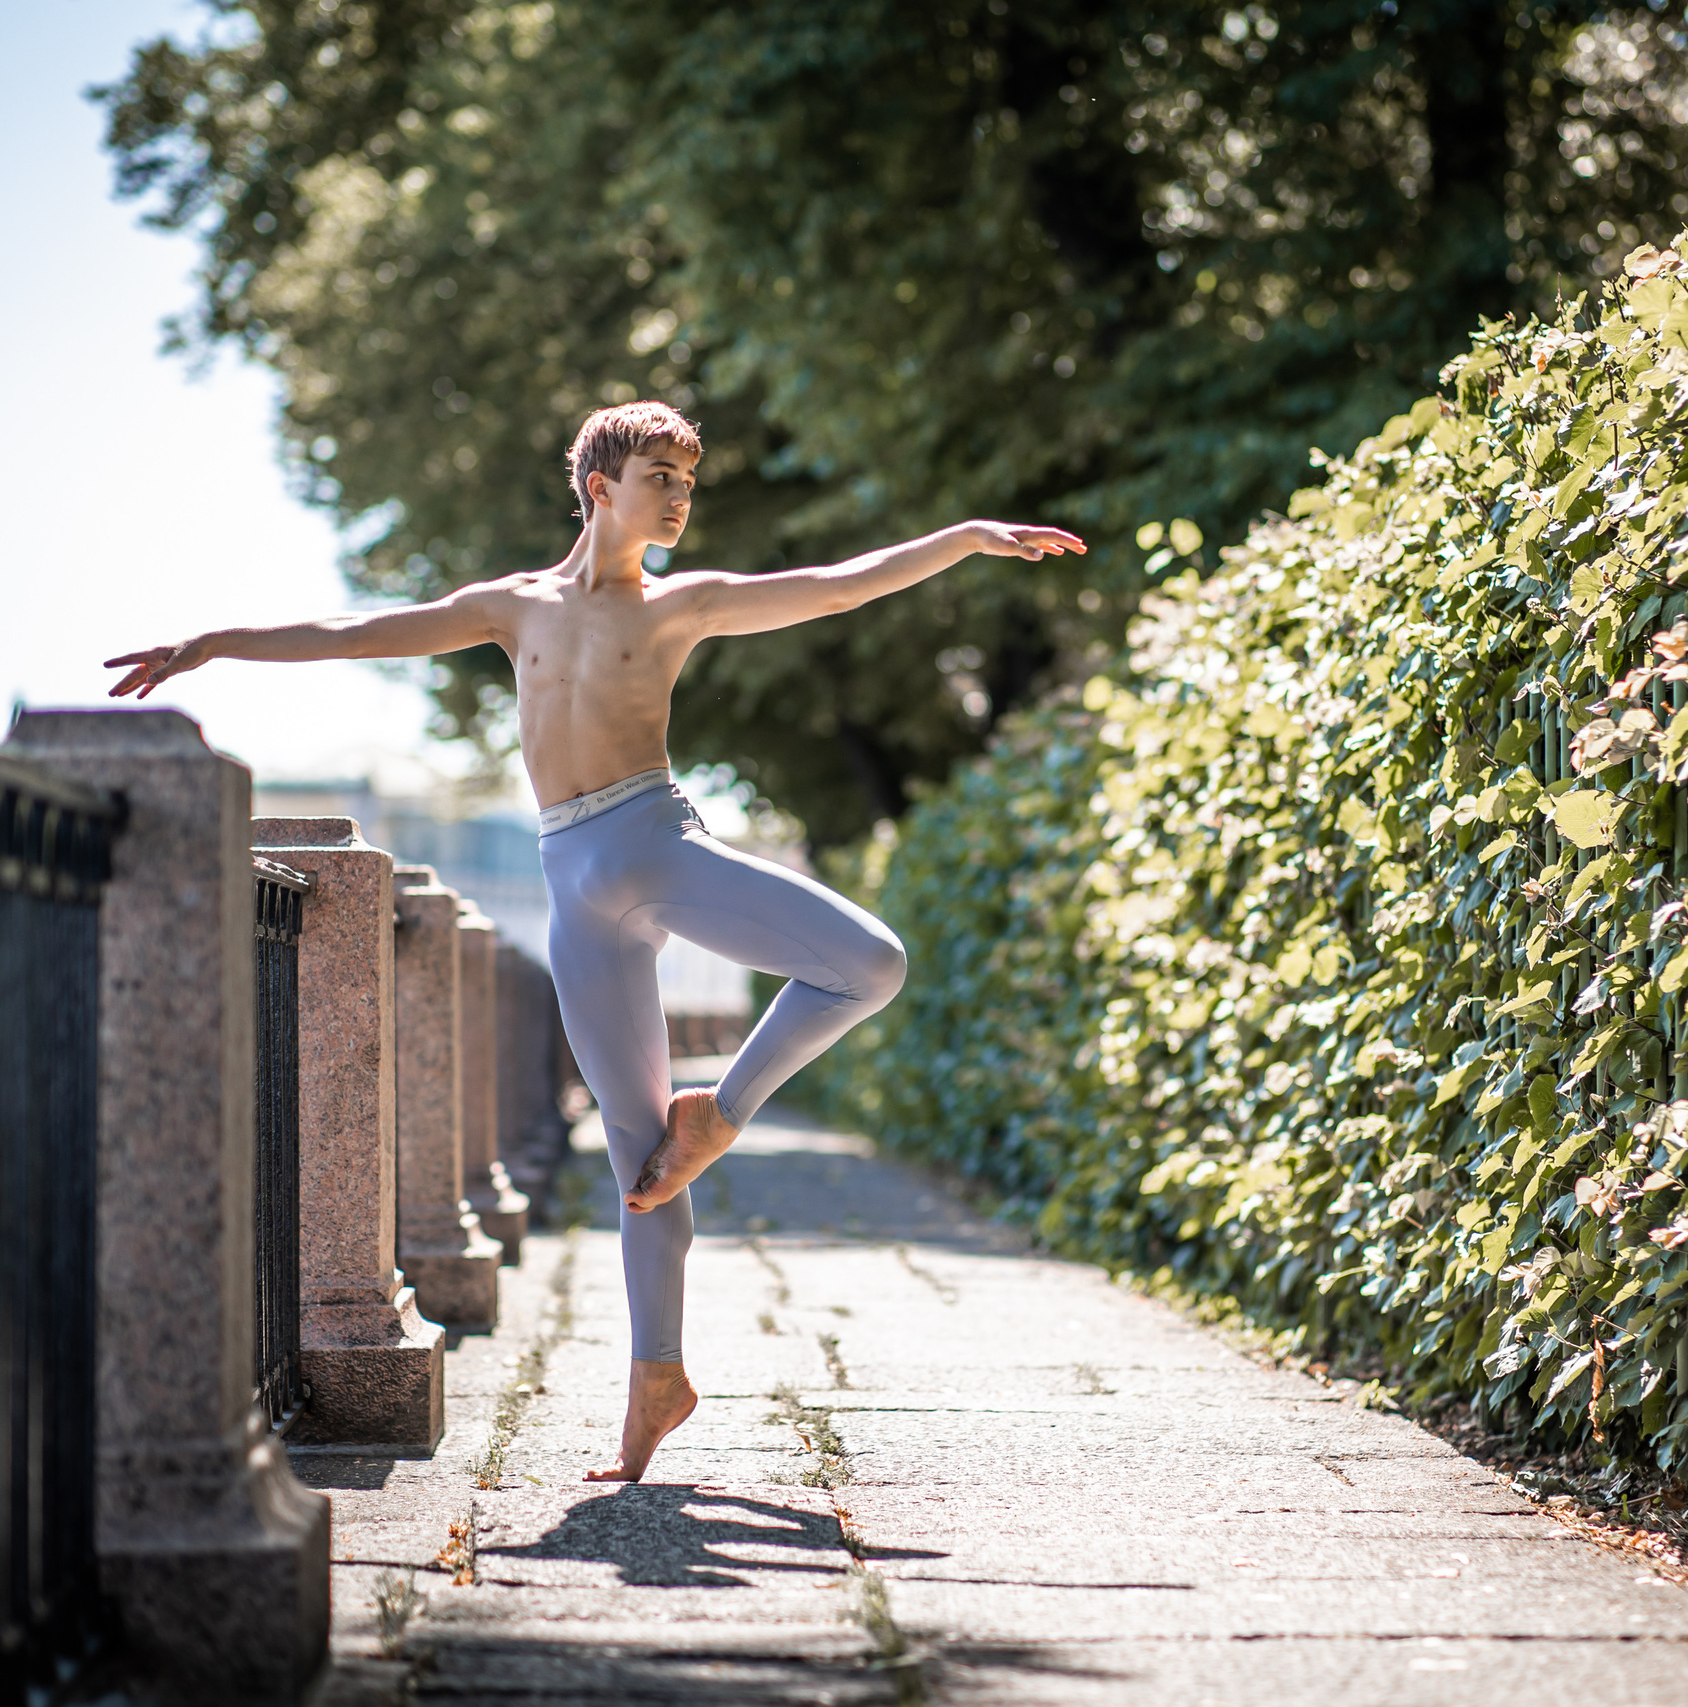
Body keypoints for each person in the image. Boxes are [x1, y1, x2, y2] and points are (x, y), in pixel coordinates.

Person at [105, 401, 1083, 1480]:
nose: (679, 494)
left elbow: (839, 584)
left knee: (871, 962)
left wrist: (966, 540)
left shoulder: (681, 605)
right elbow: (358, 631)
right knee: (639, 1164)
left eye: (687, 479)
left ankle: (726, 1109)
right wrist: (211, 646)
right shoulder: (511, 608)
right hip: (572, 884)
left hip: (656, 843)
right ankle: (653, 1388)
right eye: (661, 473)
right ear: (600, 483)